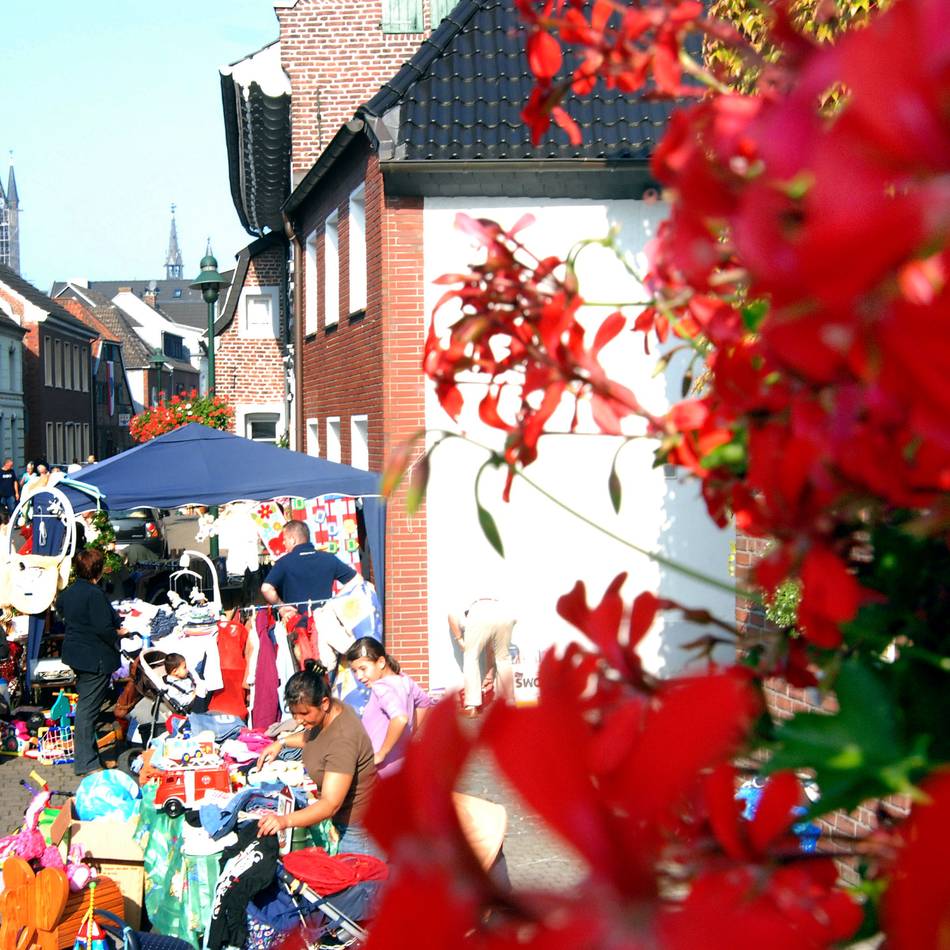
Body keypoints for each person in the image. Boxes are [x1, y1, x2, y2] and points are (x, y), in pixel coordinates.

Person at [256, 660, 379, 857]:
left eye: (304, 714)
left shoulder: (343, 739)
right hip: (346, 824)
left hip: (358, 831)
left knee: (359, 886)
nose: (298, 721)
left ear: (324, 703)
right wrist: (282, 742)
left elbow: (330, 803)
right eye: (294, 714)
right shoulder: (329, 713)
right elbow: (313, 739)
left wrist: (285, 820)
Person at [58, 548, 124, 776]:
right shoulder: (94, 594)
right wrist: (119, 633)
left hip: (77, 654)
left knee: (87, 706)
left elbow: (61, 610)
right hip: (93, 656)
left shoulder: (69, 592)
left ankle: (90, 757)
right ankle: (86, 762)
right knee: (87, 710)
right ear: (98, 569)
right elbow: (103, 628)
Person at [345, 638, 433, 777]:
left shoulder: (381, 687)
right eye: (355, 671)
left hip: (381, 769)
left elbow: (400, 718)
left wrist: (382, 753)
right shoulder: (404, 679)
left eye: (363, 669)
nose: (359, 676)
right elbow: (425, 702)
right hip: (402, 762)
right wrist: (410, 732)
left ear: (381, 662)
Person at [261, 521, 357, 619]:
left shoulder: (283, 563)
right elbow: (356, 581)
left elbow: (266, 588)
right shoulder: (329, 559)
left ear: (293, 540)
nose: (283, 542)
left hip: (296, 623)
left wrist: (281, 607)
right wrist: (334, 601)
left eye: (285, 539)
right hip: (326, 621)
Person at [448, 599, 516, 718]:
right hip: (506, 616)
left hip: (482, 615)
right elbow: (490, 650)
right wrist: (489, 676)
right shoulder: (489, 606)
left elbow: (451, 616)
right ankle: (508, 703)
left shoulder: (467, 612)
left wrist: (460, 641)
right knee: (503, 658)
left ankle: (471, 706)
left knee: (470, 657)